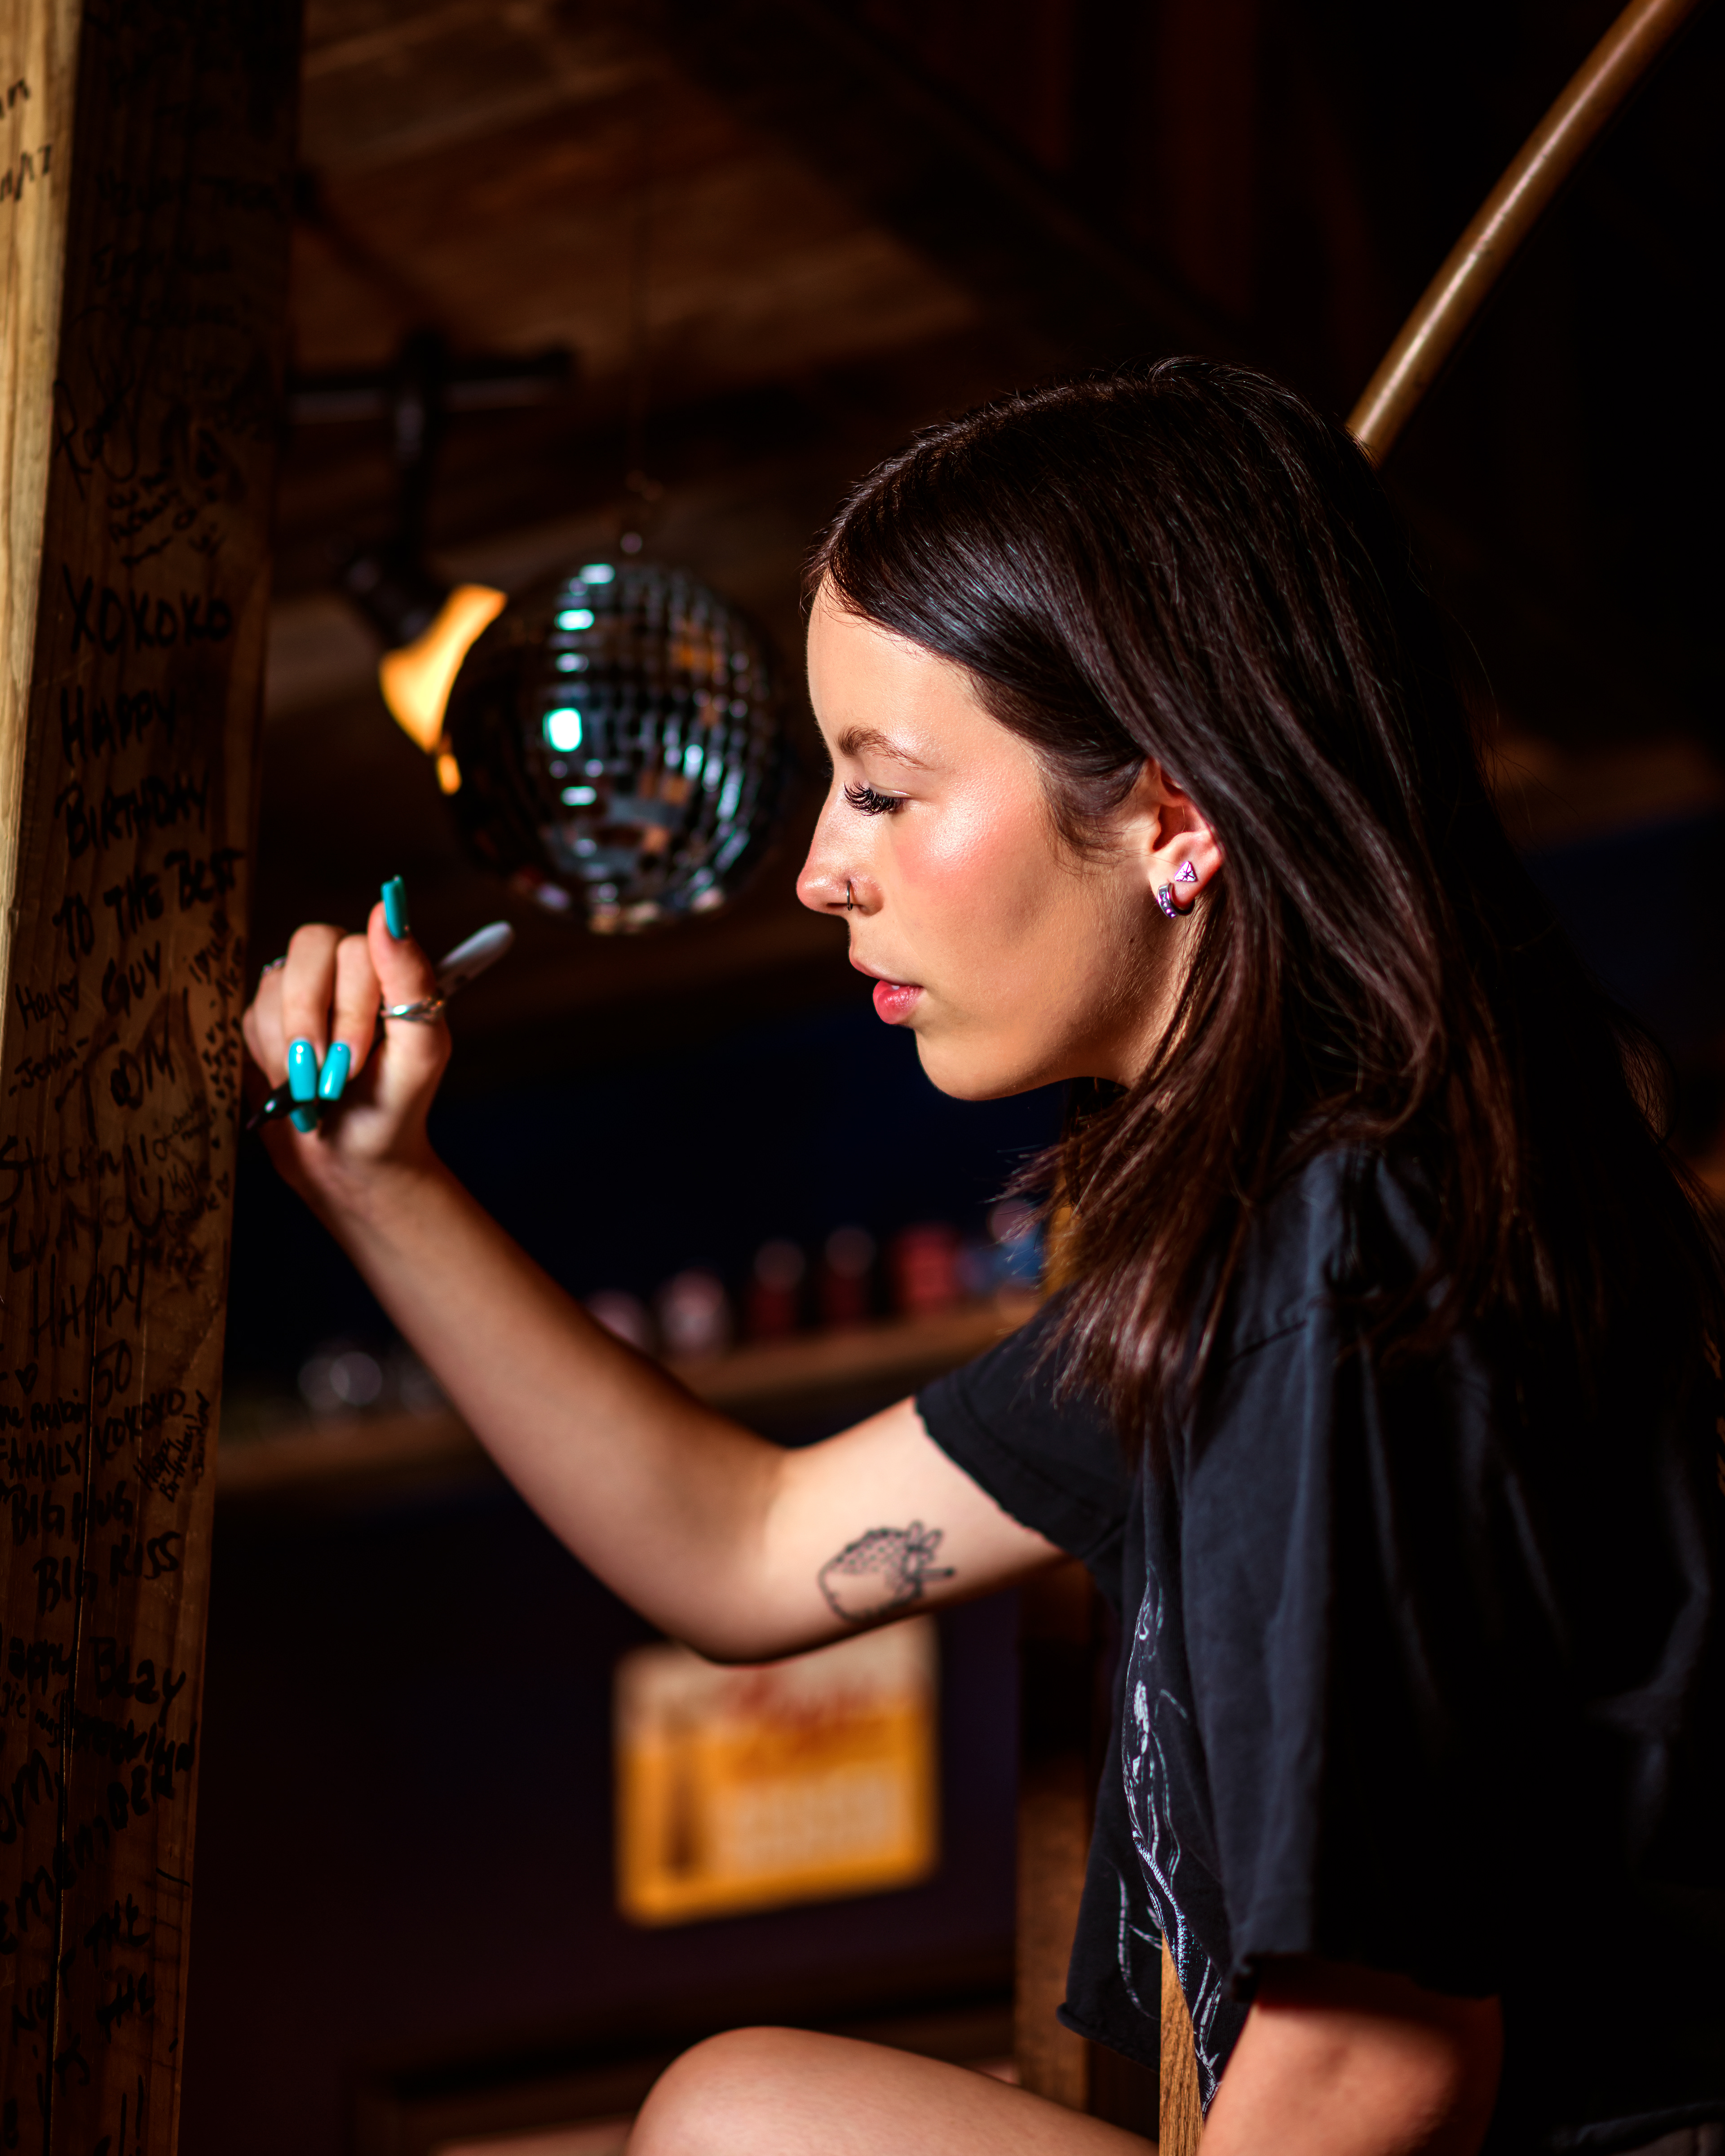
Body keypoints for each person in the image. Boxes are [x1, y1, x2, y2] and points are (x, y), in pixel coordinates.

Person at [243, 360, 1725, 2156]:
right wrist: (382, 1184)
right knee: (748, 2115)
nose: (820, 870)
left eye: (882, 790)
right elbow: (747, 1549)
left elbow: (1375, 2063)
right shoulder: (1254, 1255)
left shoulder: (1346, 1254)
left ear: (1175, 813)